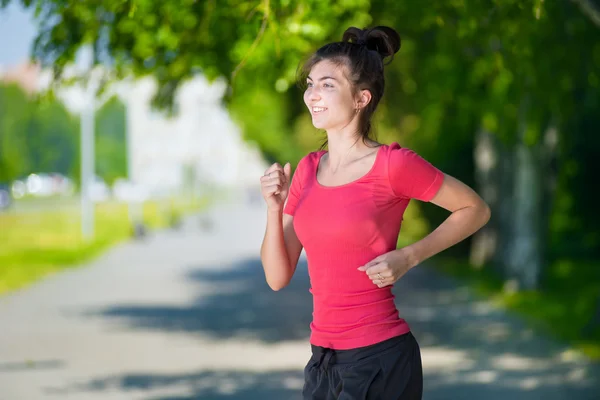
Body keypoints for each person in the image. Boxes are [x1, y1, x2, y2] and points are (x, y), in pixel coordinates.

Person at [259, 25, 491, 400]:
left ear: (361, 98)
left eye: (328, 85)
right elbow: (276, 276)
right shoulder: (306, 169)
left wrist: (409, 256)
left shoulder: (393, 165)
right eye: (311, 84)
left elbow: (475, 209)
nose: (313, 95)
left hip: (380, 359)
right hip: (323, 362)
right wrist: (273, 209)